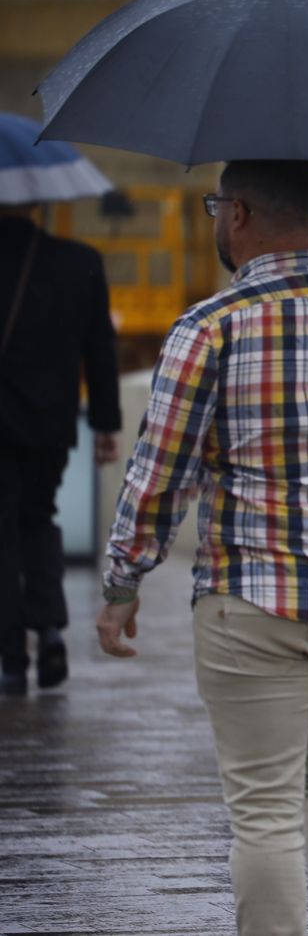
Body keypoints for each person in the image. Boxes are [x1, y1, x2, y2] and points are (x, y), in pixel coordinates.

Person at [96, 160, 308, 936]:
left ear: (237, 213)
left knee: (265, 808)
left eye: (215, 206)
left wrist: (121, 583)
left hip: (257, 594)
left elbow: (159, 471)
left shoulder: (211, 326)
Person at [0, 200, 120, 695]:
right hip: (49, 422)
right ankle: (49, 629)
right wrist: (106, 424)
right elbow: (100, 347)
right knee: (38, 516)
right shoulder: (80, 260)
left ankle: (11, 657)